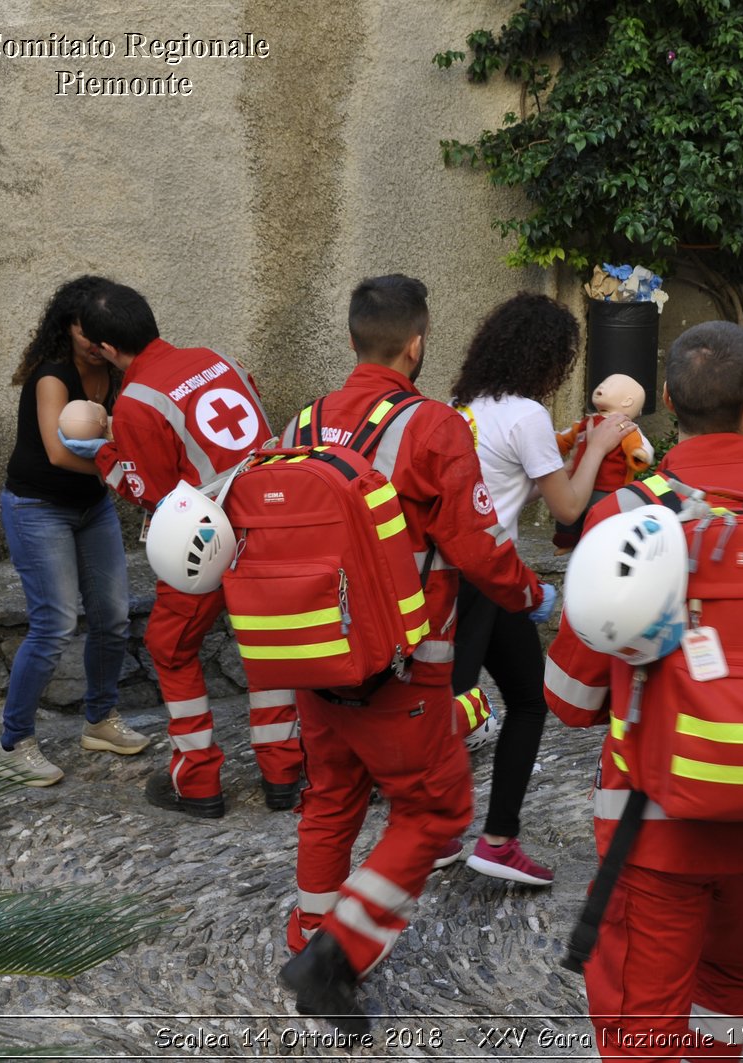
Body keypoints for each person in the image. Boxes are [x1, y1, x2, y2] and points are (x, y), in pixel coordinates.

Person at [543, 320, 743, 1060]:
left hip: (656, 822)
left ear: (667, 405)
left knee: (642, 1015)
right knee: (729, 984)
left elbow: (569, 695)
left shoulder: (622, 514)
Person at [275, 275, 550, 1032]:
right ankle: (332, 958)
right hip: (402, 664)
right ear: (417, 342)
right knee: (435, 810)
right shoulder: (433, 427)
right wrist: (532, 595)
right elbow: (479, 548)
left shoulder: (301, 422)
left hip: (313, 652)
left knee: (332, 796)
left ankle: (310, 935)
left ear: (354, 337)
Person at [58, 281, 297, 818]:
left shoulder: (139, 402)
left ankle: (198, 778)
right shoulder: (217, 358)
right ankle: (284, 771)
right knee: (266, 646)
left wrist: (105, 456)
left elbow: (156, 492)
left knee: (170, 646)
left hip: (210, 537)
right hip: (271, 523)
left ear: (104, 350)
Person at [446, 292, 629, 885]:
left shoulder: (467, 406)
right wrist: (598, 446)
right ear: (547, 359)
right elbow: (570, 507)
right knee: (511, 704)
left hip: (460, 578)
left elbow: (504, 472)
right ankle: (488, 839)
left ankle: (450, 831)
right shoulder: (525, 415)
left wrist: (565, 442)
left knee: (490, 701)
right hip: (488, 579)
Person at [0, 276, 149, 787]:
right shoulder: (53, 376)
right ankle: (13, 743)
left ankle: (100, 720)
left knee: (112, 617)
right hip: (37, 508)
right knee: (54, 624)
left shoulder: (116, 373)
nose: (94, 342)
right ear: (68, 326)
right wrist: (124, 470)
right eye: (85, 331)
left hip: (91, 508)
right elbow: (59, 453)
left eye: (101, 333)